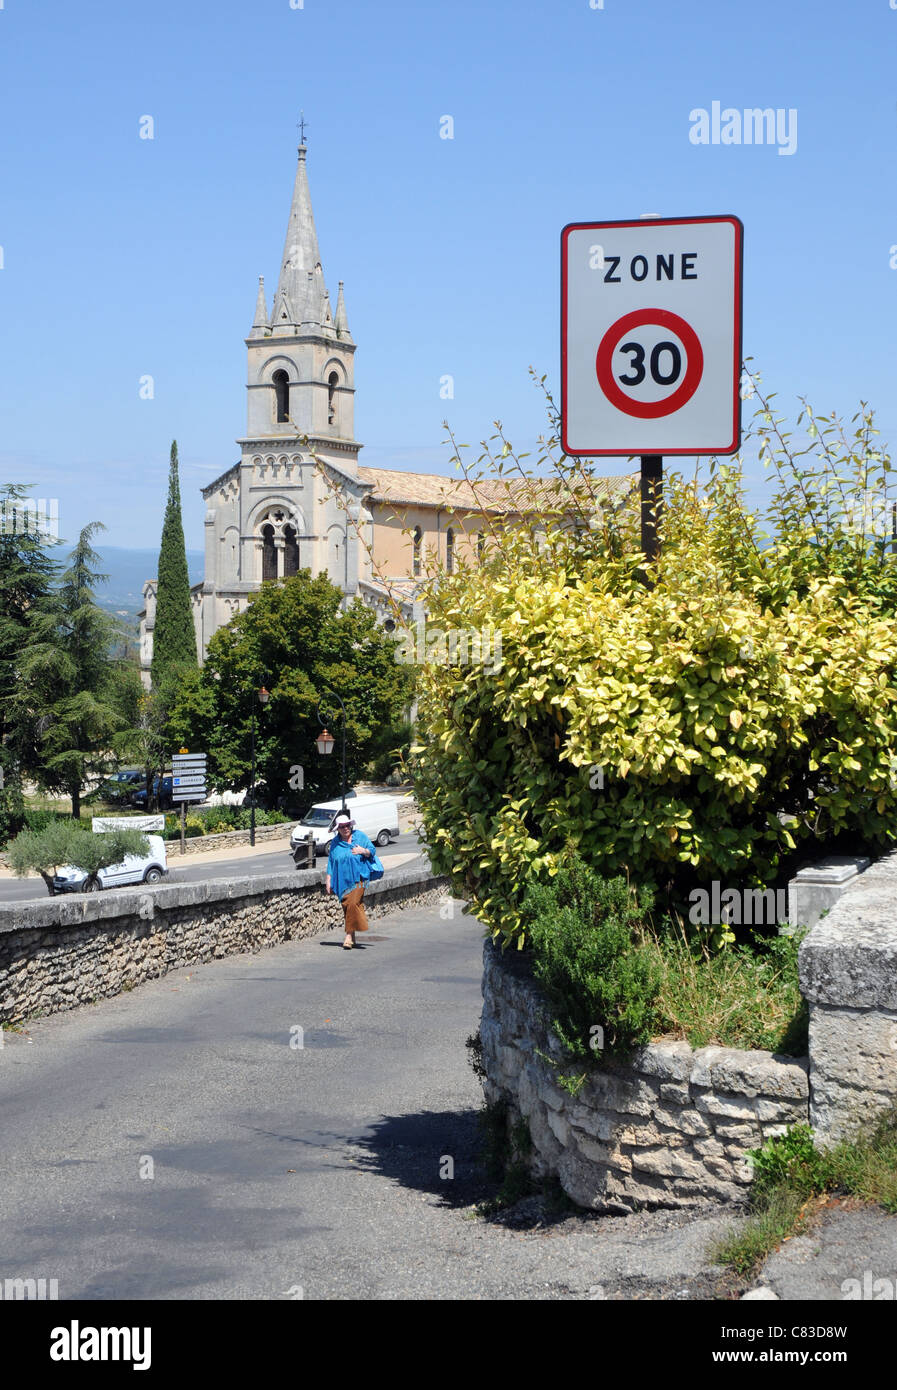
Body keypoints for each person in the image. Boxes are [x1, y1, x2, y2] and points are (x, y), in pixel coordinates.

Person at [325, 812, 378, 949]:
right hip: (342, 880)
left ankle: (348, 936)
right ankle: (353, 936)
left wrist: (362, 850)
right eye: (342, 826)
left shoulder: (360, 836)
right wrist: (328, 880)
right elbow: (331, 862)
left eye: (347, 825)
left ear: (351, 825)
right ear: (338, 829)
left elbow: (372, 850)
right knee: (347, 905)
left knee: (353, 903)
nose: (345, 828)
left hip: (360, 877)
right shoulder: (335, 843)